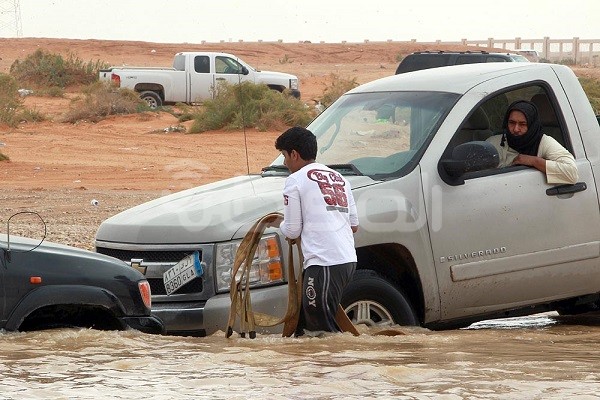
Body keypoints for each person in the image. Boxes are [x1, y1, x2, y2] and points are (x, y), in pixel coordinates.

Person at [273, 126, 359, 337]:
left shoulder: (295, 180)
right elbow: (354, 225)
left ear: (294, 154)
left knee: (321, 335)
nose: (284, 163)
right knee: (304, 333)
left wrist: (277, 223)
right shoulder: (340, 178)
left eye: (284, 156)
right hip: (346, 261)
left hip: (323, 264)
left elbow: (292, 230)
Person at [486, 100, 578, 184]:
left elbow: (572, 174)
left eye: (522, 124)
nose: (516, 129)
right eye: (512, 123)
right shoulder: (493, 142)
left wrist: (533, 161)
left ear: (532, 125)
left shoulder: (543, 142)